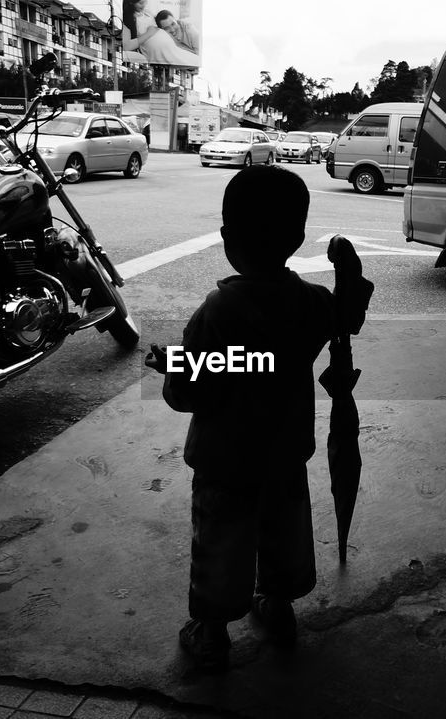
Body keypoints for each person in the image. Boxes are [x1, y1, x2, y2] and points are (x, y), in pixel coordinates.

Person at [145, 165, 371, 672]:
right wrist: (349, 275)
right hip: (286, 448)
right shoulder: (311, 302)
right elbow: (343, 319)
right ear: (296, 237)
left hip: (225, 459)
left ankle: (211, 631)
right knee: (282, 530)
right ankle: (278, 605)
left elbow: (192, 390)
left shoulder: (219, 310)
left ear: (227, 236)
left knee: (221, 541)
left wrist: (171, 364)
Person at [120, 0, 198, 67]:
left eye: (145, 1)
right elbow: (126, 46)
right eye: (141, 3)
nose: (144, 4)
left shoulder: (148, 13)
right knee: (191, 61)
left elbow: (165, 21)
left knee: (194, 60)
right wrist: (149, 33)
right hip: (161, 54)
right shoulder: (127, 19)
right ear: (131, 2)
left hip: (172, 48)